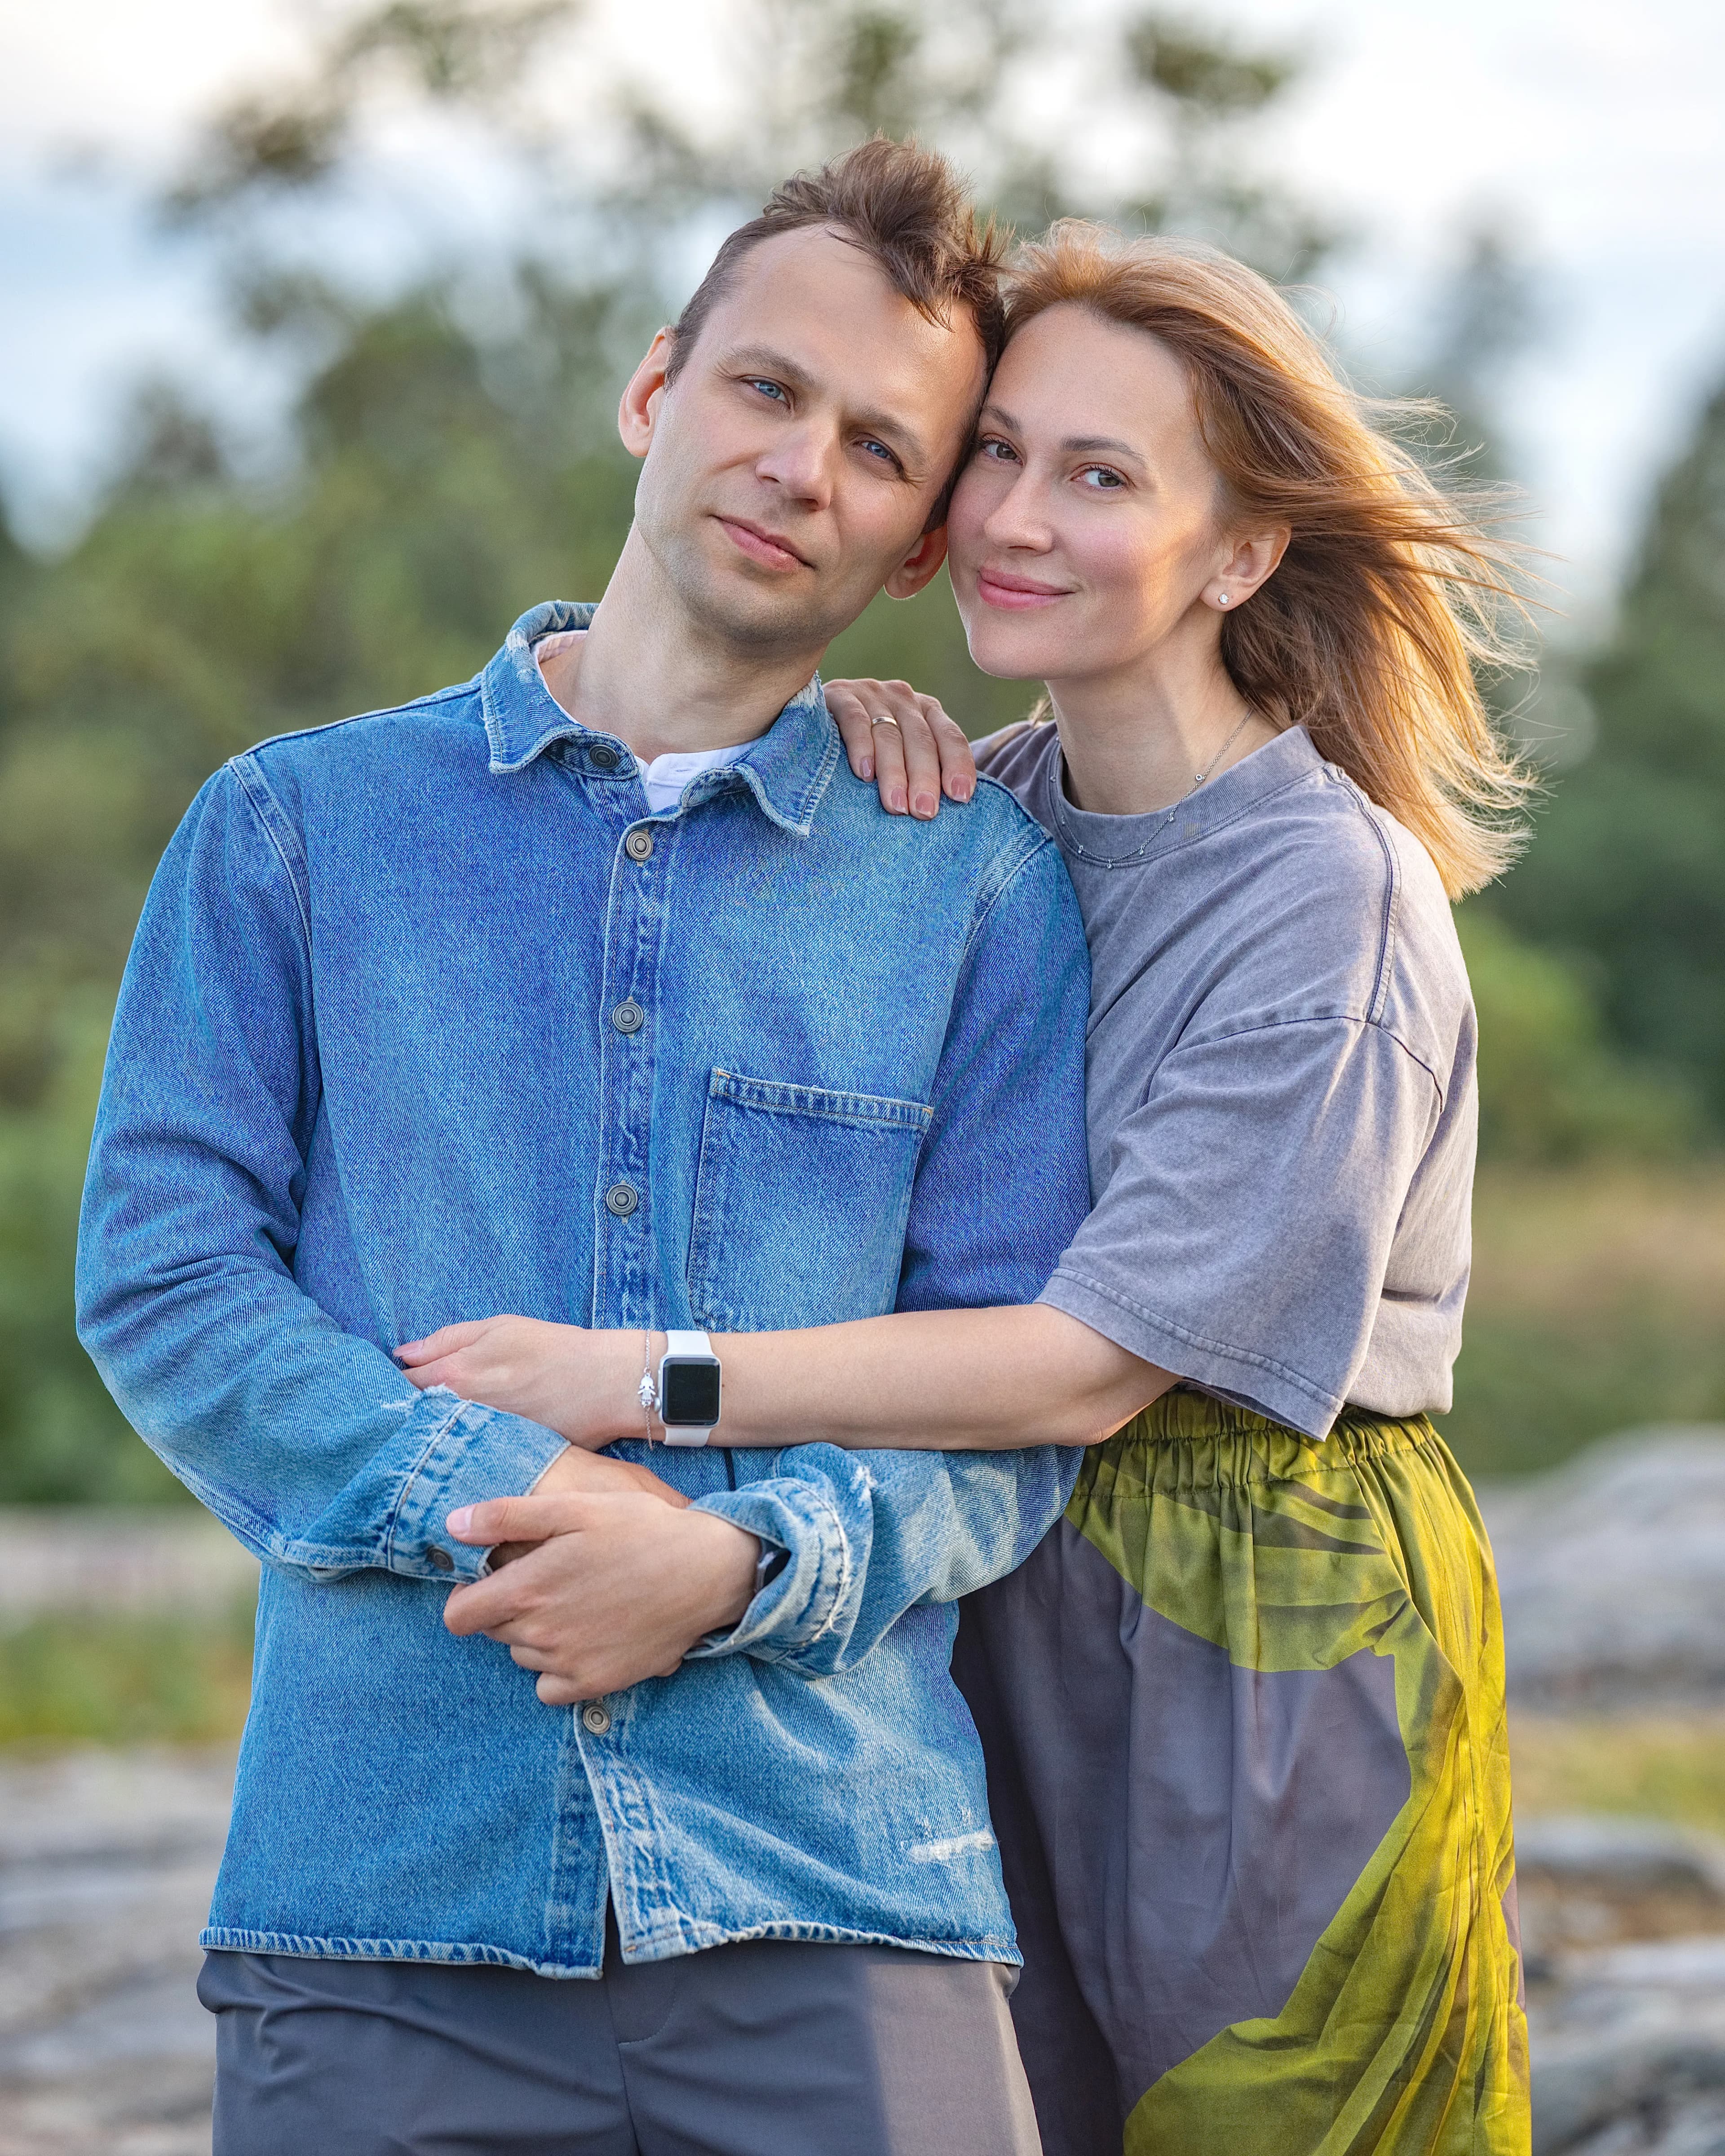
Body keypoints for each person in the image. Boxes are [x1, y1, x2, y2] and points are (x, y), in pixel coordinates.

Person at [401, 225, 1534, 2154]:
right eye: (996, 452)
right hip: (989, 1579)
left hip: (1268, 1601)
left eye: (1099, 476)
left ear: (1241, 552)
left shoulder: (1326, 901)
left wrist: (651, 1377)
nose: (1010, 516)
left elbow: (1094, 1365)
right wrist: (832, 740)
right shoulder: (977, 812)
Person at [74, 142, 1098, 2156]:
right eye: (767, 388)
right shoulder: (295, 828)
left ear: (915, 547)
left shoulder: (975, 889)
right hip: (387, 1898)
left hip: (835, 1884)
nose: (800, 467)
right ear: (654, 390)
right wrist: (512, 1493)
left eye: (880, 450)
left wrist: (733, 1563)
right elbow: (168, 1284)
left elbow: (1016, 1393)